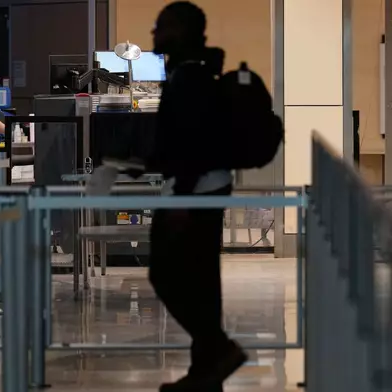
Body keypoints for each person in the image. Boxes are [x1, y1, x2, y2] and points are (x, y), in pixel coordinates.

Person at [147, 2, 247, 391]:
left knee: (167, 273)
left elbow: (191, 142)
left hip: (194, 191)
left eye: (162, 27)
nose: (154, 32)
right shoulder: (193, 72)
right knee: (201, 284)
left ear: (180, 32)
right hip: (203, 187)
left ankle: (218, 351)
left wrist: (182, 200)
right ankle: (206, 375)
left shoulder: (189, 77)